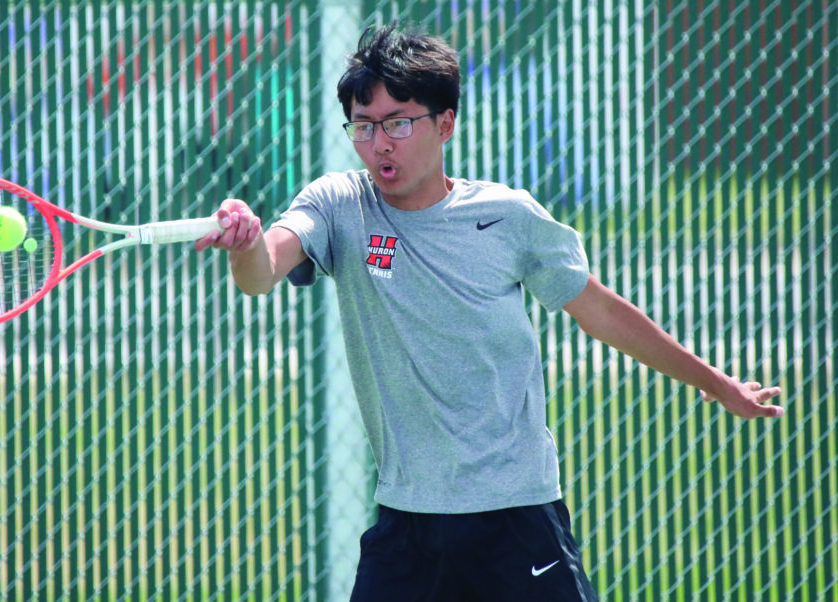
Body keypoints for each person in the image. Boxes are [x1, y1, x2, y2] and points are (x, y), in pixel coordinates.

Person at [195, 25, 784, 601]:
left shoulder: (508, 217)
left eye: (398, 123)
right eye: (364, 126)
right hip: (406, 526)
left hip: (516, 518)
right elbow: (263, 273)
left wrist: (716, 383)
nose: (380, 144)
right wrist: (246, 243)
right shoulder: (338, 202)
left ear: (445, 122)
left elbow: (602, 312)